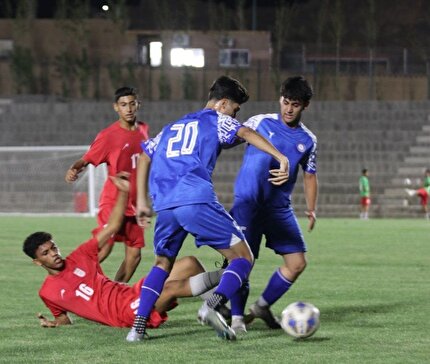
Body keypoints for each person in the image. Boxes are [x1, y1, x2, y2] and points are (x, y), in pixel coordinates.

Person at [126, 75, 290, 342]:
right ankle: (211, 306)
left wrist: (142, 200)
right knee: (243, 257)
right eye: (235, 110)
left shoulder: (171, 126)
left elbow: (145, 155)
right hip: (195, 198)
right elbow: (246, 132)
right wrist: (280, 157)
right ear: (223, 104)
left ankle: (137, 328)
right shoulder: (216, 118)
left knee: (162, 263)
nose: (236, 116)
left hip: (165, 203)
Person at [23, 174, 225, 329]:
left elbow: (111, 227)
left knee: (189, 263)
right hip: (124, 313)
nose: (54, 254)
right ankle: (230, 274)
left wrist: (123, 192)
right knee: (170, 289)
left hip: (130, 293)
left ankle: (219, 310)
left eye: (54, 248)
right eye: (46, 253)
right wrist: (54, 324)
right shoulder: (47, 293)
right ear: (37, 262)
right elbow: (63, 319)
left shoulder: (79, 256)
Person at [226, 76, 318, 333]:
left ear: (305, 106)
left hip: (278, 209)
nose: (288, 109)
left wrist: (311, 209)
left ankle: (261, 307)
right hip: (248, 205)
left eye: (295, 105)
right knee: (242, 263)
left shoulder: (308, 140)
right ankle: (235, 319)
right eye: (286, 102)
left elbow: (310, 175)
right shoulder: (259, 122)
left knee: (297, 263)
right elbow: (230, 138)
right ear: (280, 99)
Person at [64, 87, 149, 282]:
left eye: (132, 104)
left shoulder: (144, 129)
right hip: (114, 201)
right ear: (116, 108)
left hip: (135, 205)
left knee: (134, 256)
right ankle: (72, 285)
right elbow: (86, 159)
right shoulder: (108, 135)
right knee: (104, 248)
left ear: (138, 105)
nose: (128, 109)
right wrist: (74, 168)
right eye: (123, 105)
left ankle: (115, 295)